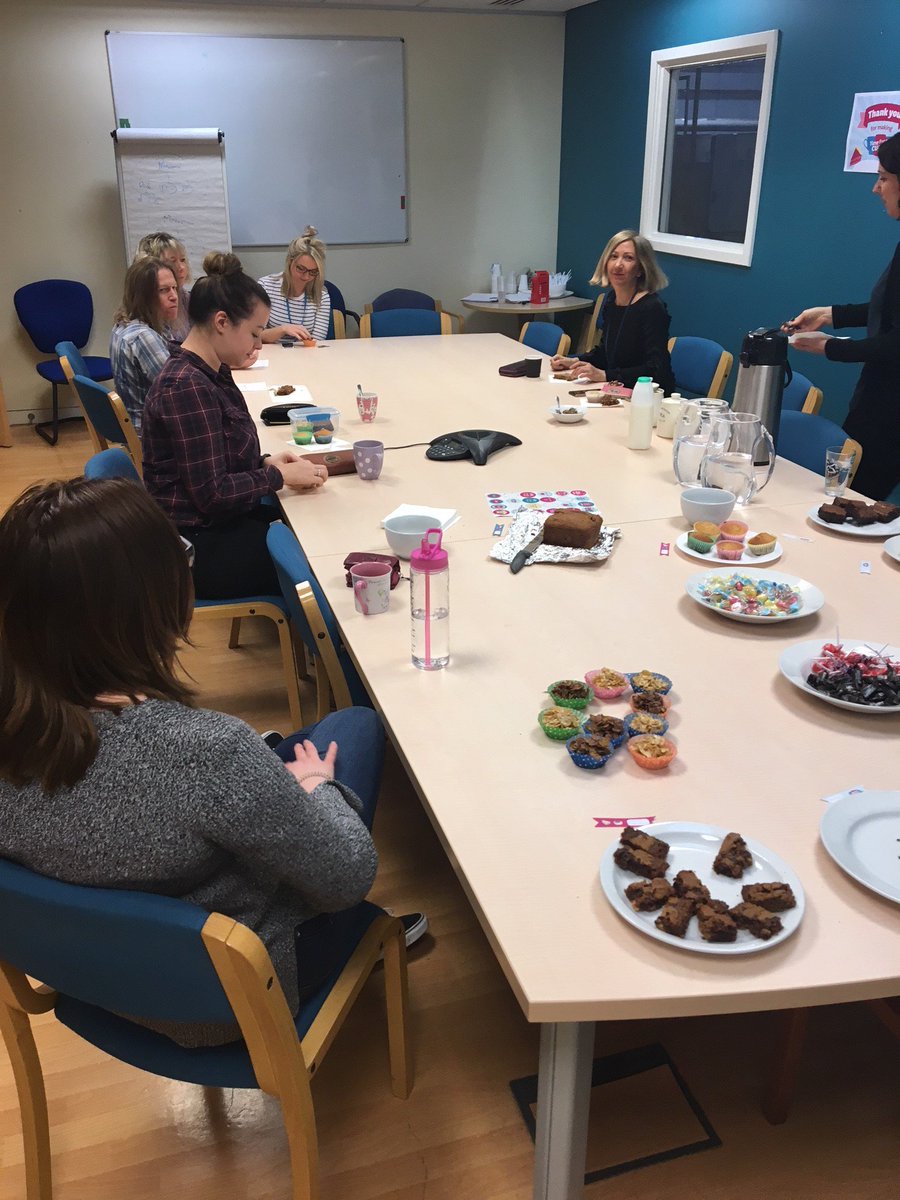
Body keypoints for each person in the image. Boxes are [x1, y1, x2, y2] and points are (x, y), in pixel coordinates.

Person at [0, 477, 425, 1048]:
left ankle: (279, 771)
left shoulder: (23, 726)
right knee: (352, 730)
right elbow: (345, 879)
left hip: (92, 979)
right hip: (227, 1001)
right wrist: (316, 787)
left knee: (292, 746)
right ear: (153, 602)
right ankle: (348, 896)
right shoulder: (201, 752)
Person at [142, 251, 328, 600]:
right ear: (222, 322)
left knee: (316, 532)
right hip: (196, 546)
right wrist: (278, 477)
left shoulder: (210, 370)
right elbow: (212, 494)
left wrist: (264, 464)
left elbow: (216, 460)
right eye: (255, 332)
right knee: (322, 566)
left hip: (215, 527)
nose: (259, 343)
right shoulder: (186, 386)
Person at [783, 132, 900, 500]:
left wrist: (830, 348)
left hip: (889, 415)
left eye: (882, 177)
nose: (875, 188)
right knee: (835, 494)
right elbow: (888, 310)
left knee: (844, 501)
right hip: (875, 402)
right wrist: (829, 315)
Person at [550, 230, 676, 393]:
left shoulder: (652, 307)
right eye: (614, 256)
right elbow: (606, 353)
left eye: (628, 258)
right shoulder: (611, 300)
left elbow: (655, 369)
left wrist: (605, 375)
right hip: (617, 390)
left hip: (648, 397)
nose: (618, 265)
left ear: (640, 269)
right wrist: (573, 360)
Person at [109, 257, 180, 433]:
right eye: (164, 290)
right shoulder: (143, 337)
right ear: (143, 297)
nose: (174, 296)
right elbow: (180, 394)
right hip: (153, 438)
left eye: (174, 288)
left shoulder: (125, 324)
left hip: (141, 426)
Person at [258, 225, 332, 343]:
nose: (306, 276)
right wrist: (283, 329)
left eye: (313, 272)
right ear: (289, 262)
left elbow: (316, 341)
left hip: (305, 356)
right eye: (301, 269)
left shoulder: (322, 296)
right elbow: (255, 336)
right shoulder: (266, 286)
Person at [136, 231, 192, 342]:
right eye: (172, 261)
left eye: (183, 260)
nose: (181, 267)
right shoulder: (146, 306)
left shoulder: (186, 298)